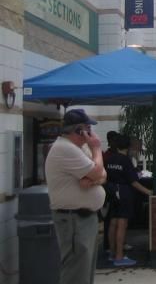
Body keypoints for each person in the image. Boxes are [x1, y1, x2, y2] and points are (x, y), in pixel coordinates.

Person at [45, 109, 106, 284]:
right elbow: (97, 170)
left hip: (84, 218)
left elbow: (102, 174)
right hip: (73, 219)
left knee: (84, 270)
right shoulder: (65, 148)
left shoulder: (78, 149)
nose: (91, 134)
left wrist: (94, 179)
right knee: (76, 272)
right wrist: (96, 148)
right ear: (79, 130)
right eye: (88, 129)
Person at [104, 134, 152, 266]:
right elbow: (134, 182)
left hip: (112, 191)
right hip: (124, 193)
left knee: (113, 223)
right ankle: (119, 257)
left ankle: (112, 253)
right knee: (122, 224)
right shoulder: (125, 160)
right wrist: (149, 192)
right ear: (128, 147)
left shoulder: (110, 159)